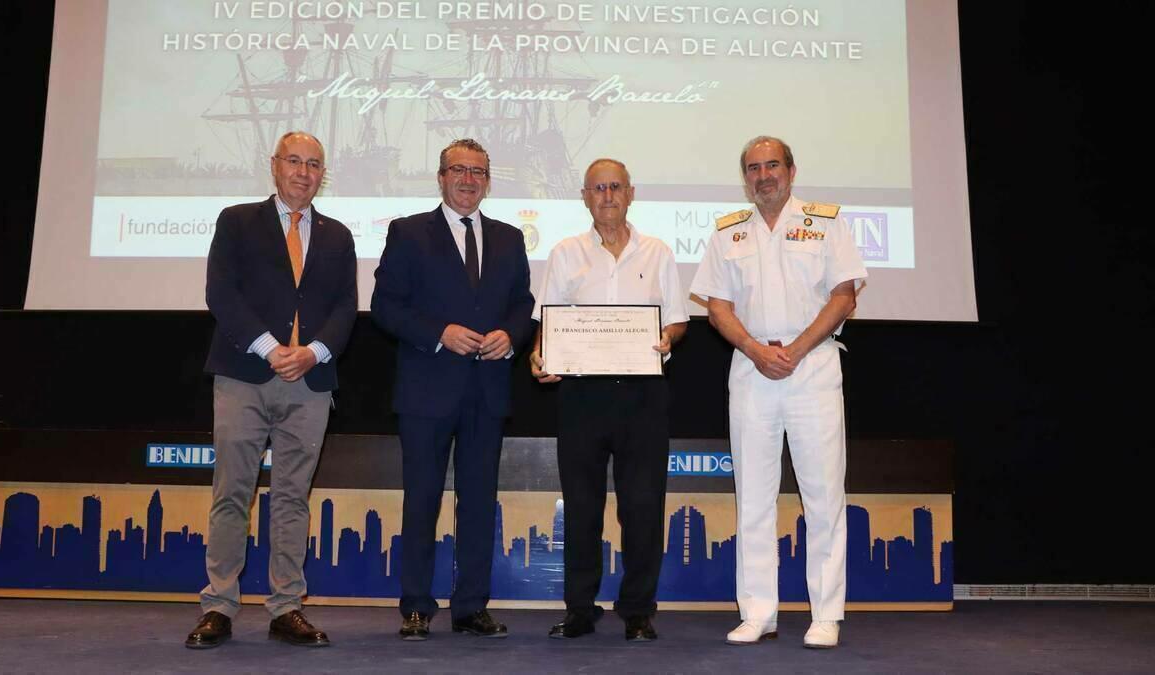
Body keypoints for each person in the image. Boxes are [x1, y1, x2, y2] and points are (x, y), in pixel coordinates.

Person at [690, 136, 866, 649]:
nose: (763, 175)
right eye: (753, 168)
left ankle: (827, 614)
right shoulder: (728, 233)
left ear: (791, 170)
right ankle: (758, 611)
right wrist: (755, 349)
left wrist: (795, 349)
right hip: (751, 369)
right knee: (755, 497)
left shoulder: (827, 222)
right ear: (744, 177)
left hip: (812, 367)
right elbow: (717, 307)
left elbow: (844, 297)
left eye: (772, 165)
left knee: (824, 494)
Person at [186, 131, 358, 648]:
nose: (304, 172)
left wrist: (313, 352)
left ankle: (287, 608)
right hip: (245, 376)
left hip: (310, 381)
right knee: (231, 494)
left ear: (322, 174)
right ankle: (218, 604)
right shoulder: (237, 221)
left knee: (292, 498)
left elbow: (346, 309)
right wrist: (270, 347)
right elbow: (221, 292)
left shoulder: (338, 234)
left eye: (313, 164)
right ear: (274, 165)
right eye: (294, 161)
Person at [371, 138, 534, 641]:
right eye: (458, 170)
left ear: (489, 180)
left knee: (480, 502)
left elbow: (522, 304)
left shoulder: (509, 237)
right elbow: (385, 306)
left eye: (478, 172)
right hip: (427, 389)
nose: (468, 179)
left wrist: (512, 335)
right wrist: (438, 333)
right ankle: (416, 606)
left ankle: (470, 607)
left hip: (488, 390)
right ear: (440, 177)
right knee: (422, 499)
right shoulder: (408, 232)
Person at [530, 159, 688, 642]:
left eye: (615, 187)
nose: (607, 195)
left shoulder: (657, 252)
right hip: (582, 395)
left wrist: (668, 338)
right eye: (598, 188)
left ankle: (638, 610)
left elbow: (678, 320)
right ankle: (580, 608)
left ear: (631, 193)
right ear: (584, 196)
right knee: (581, 507)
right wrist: (538, 358)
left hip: (643, 395)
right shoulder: (564, 252)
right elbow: (547, 327)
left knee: (642, 506)